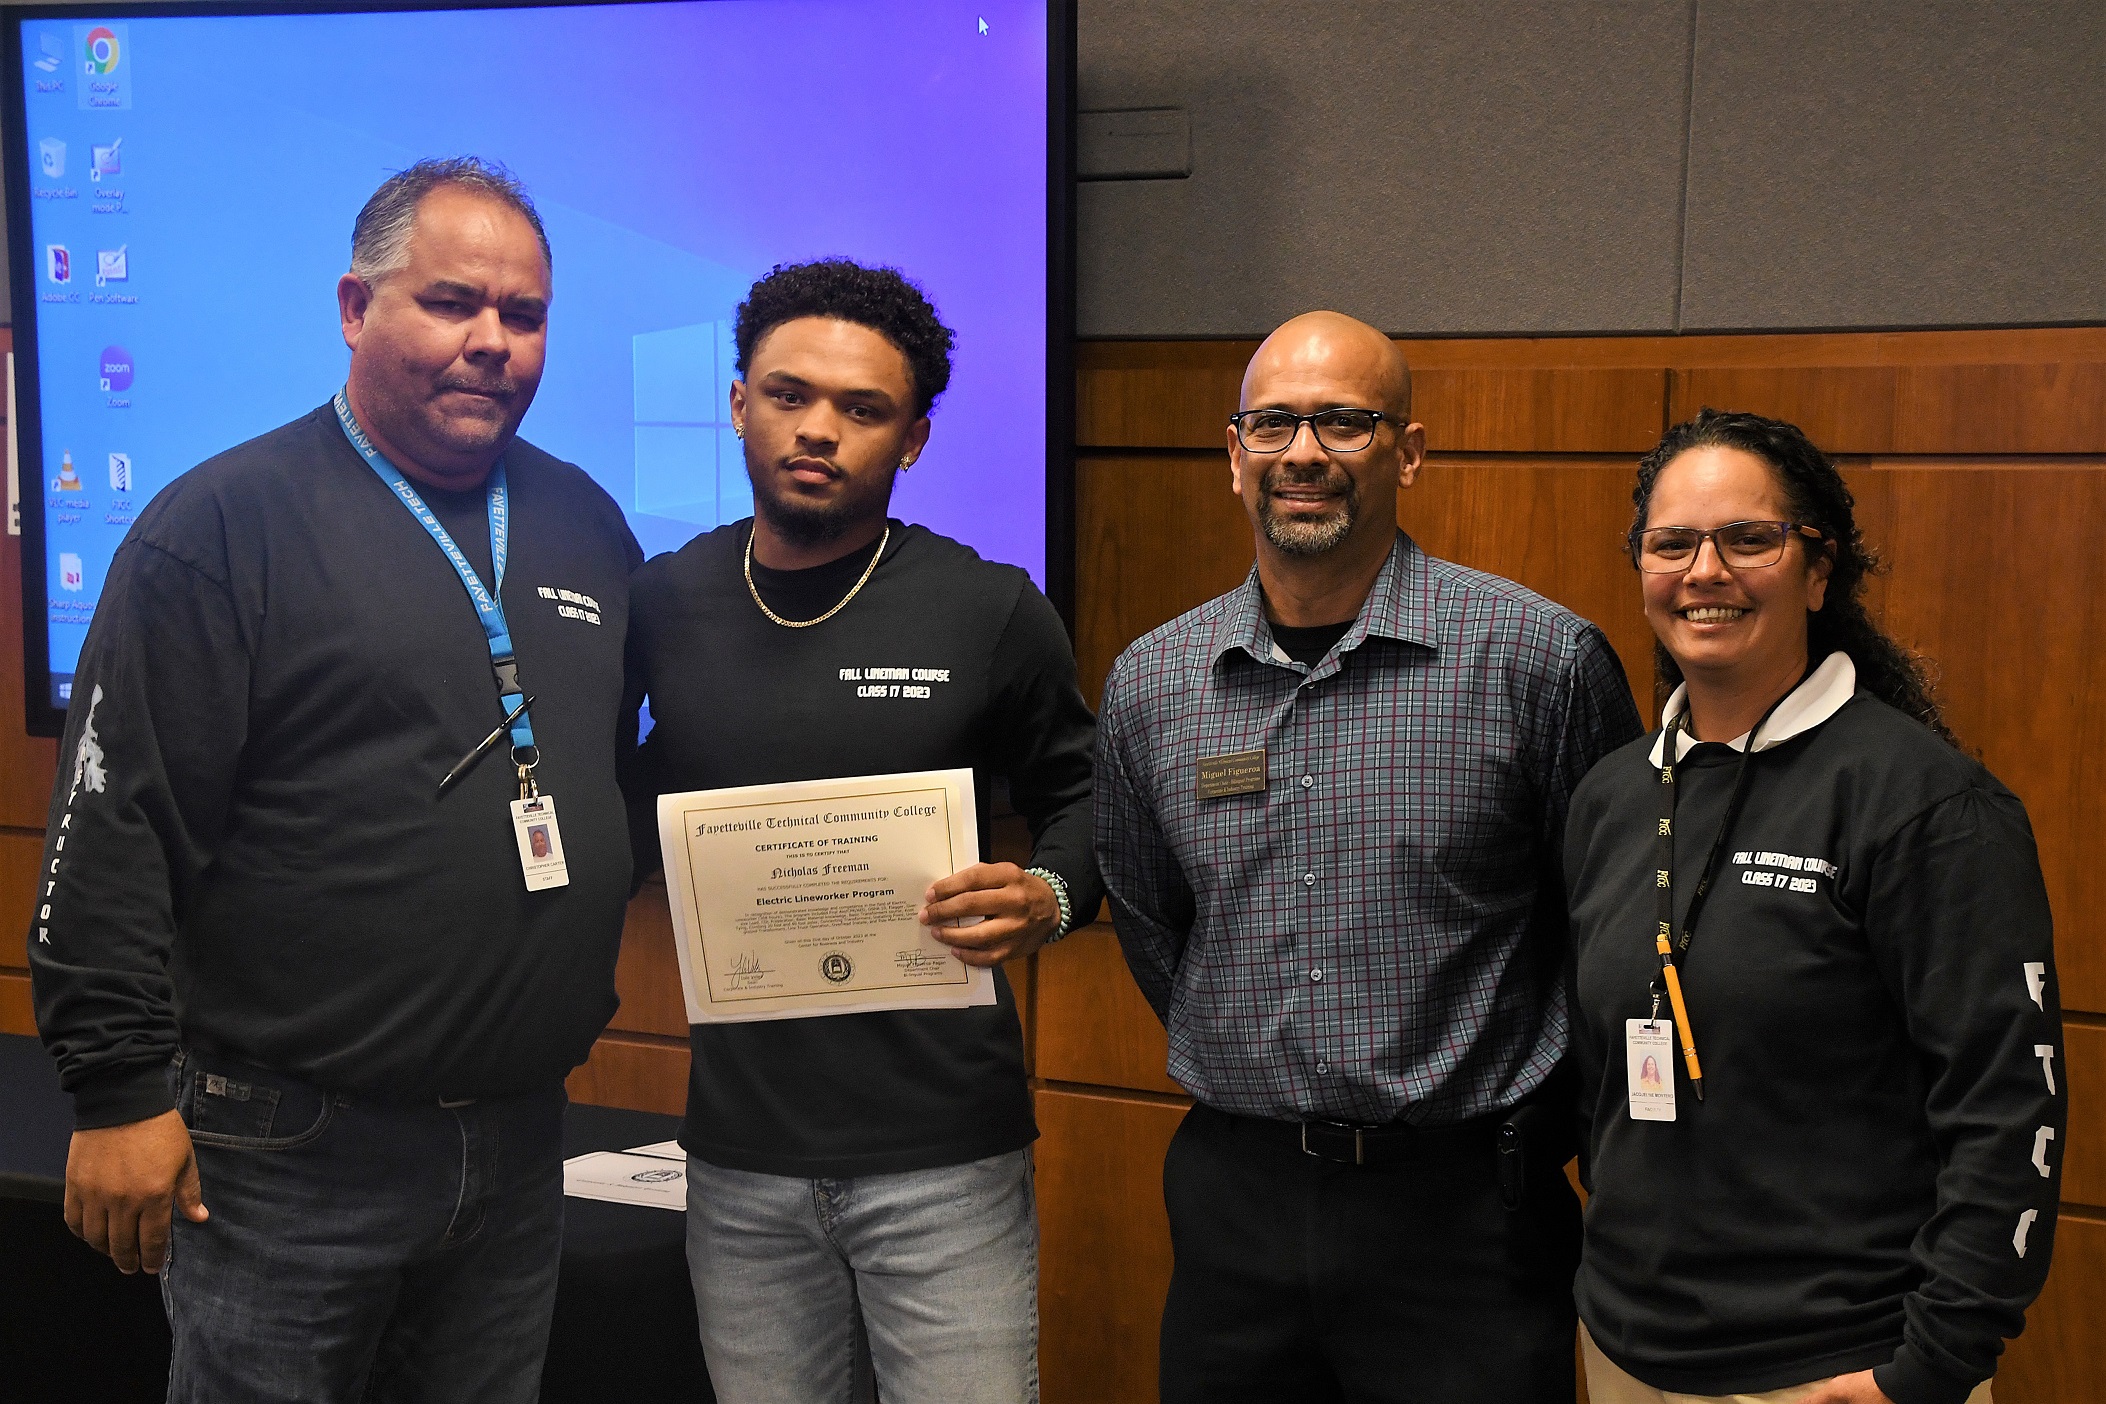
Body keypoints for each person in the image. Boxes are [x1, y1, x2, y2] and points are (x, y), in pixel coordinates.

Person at [28, 158, 643, 1401]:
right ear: (357, 309)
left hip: (521, 1138)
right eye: (452, 302)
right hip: (288, 1153)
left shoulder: (582, 521)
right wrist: (113, 1094)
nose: (492, 343)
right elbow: (113, 825)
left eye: (524, 317)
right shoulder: (220, 530)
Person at [1093, 310, 1643, 1403]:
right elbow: (1155, 927)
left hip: (1466, 1215)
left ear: (1410, 451)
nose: (1304, 453)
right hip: (1234, 1204)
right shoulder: (1153, 684)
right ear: (1234, 454)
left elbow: (1607, 934)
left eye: (1345, 423)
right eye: (1275, 423)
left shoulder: (1541, 662)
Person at [624, 258, 1102, 1403]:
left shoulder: (989, 608)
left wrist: (1048, 896)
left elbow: (1093, 803)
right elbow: (617, 807)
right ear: (739, 403)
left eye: (863, 408)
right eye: (789, 394)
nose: (818, 429)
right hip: (740, 1157)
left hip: (946, 1158)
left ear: (915, 439)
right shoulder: (663, 601)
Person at [1563, 409, 2065, 1404]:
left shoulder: (1925, 802)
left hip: (1838, 1371)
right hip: (1626, 1350)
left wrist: (1927, 1370)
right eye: (1672, 544)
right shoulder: (1611, 797)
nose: (1705, 571)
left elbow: (2010, 1114)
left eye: (1748, 538)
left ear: (1819, 568)